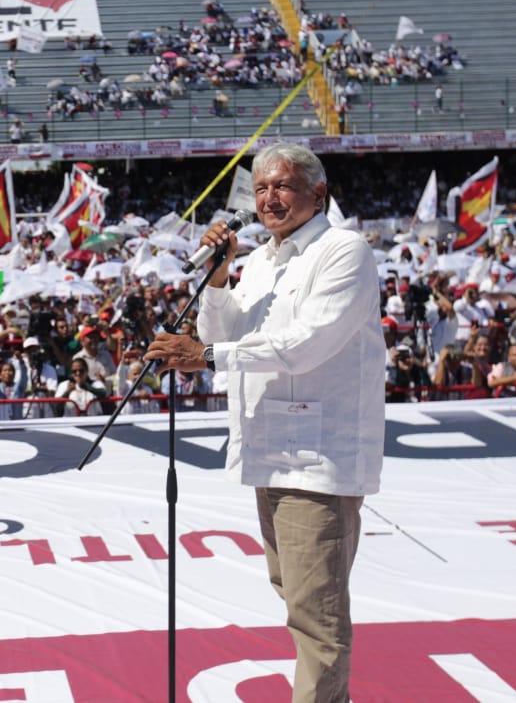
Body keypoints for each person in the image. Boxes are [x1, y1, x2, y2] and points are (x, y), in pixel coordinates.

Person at [144, 142, 385, 703]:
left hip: (318, 459)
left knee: (316, 616)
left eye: (282, 186)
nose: (269, 198)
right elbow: (223, 334)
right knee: (298, 598)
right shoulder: (260, 261)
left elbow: (305, 345)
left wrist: (205, 358)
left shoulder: (343, 251)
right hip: (269, 453)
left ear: (317, 193)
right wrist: (222, 277)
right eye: (261, 189)